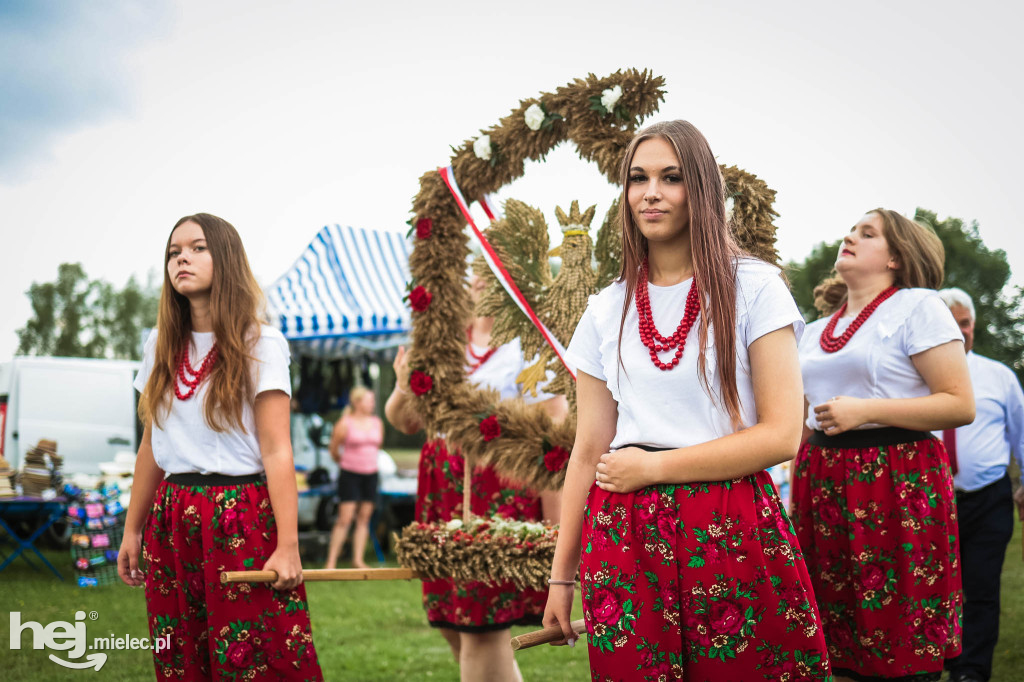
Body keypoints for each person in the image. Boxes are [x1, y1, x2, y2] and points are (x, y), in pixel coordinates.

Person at [543, 120, 832, 680]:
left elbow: (780, 435)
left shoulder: (755, 286)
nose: (650, 192)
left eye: (670, 177)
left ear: (699, 188)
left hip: (726, 519)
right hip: (625, 531)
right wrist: (562, 576)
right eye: (637, 178)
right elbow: (587, 451)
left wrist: (653, 468)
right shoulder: (607, 306)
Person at [118, 213, 323, 680]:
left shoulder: (261, 342)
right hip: (173, 517)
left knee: (256, 658)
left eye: (197, 248)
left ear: (226, 258)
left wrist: (288, 545)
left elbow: (277, 451)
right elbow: (153, 443)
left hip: (241, 515)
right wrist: (133, 530)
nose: (182, 258)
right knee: (183, 660)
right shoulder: (159, 345)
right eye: (174, 252)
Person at [791, 209, 975, 682]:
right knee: (839, 620)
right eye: (851, 229)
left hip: (896, 477)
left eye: (866, 233)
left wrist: (866, 411)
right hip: (825, 479)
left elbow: (958, 404)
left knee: (897, 616)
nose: (849, 236)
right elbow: (801, 418)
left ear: (895, 257)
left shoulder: (918, 307)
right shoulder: (814, 331)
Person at [385, 273, 567, 682]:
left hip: (498, 488)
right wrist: (402, 387)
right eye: (477, 266)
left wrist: (556, 529)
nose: (483, 277)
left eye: (495, 265)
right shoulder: (442, 335)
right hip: (441, 489)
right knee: (451, 621)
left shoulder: (533, 339)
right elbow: (406, 421)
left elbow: (553, 441)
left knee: (480, 628)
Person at [936, 287, 1024, 682]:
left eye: (965, 322)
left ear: (973, 325)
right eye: (949, 324)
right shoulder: (915, 376)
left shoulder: (999, 376)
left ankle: (971, 671)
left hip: (989, 498)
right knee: (934, 589)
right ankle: (936, 660)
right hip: (932, 503)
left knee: (982, 590)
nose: (959, 331)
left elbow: (1021, 435)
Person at [324, 385, 384, 569]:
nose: (372, 404)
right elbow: (334, 448)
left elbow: (378, 446)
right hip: (350, 474)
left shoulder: (376, 422)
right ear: (357, 403)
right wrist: (344, 461)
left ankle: (358, 559)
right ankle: (331, 562)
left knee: (364, 517)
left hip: (371, 474)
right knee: (345, 518)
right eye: (369, 400)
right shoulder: (345, 423)